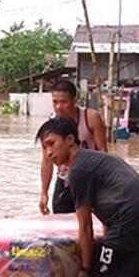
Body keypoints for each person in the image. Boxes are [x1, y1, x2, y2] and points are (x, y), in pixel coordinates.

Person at [36, 118, 139, 277]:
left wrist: (86, 270)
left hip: (131, 217)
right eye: (45, 148)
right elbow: (109, 209)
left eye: (51, 144)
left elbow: (86, 225)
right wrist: (108, 243)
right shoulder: (96, 159)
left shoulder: (79, 170)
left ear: (69, 140)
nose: (49, 153)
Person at [39, 80, 106, 215]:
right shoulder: (50, 125)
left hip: (89, 179)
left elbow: (103, 152)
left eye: (63, 102)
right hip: (65, 180)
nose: (58, 107)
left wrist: (103, 186)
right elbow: (47, 161)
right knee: (61, 221)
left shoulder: (91, 118)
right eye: (55, 102)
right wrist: (44, 193)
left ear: (75, 100)